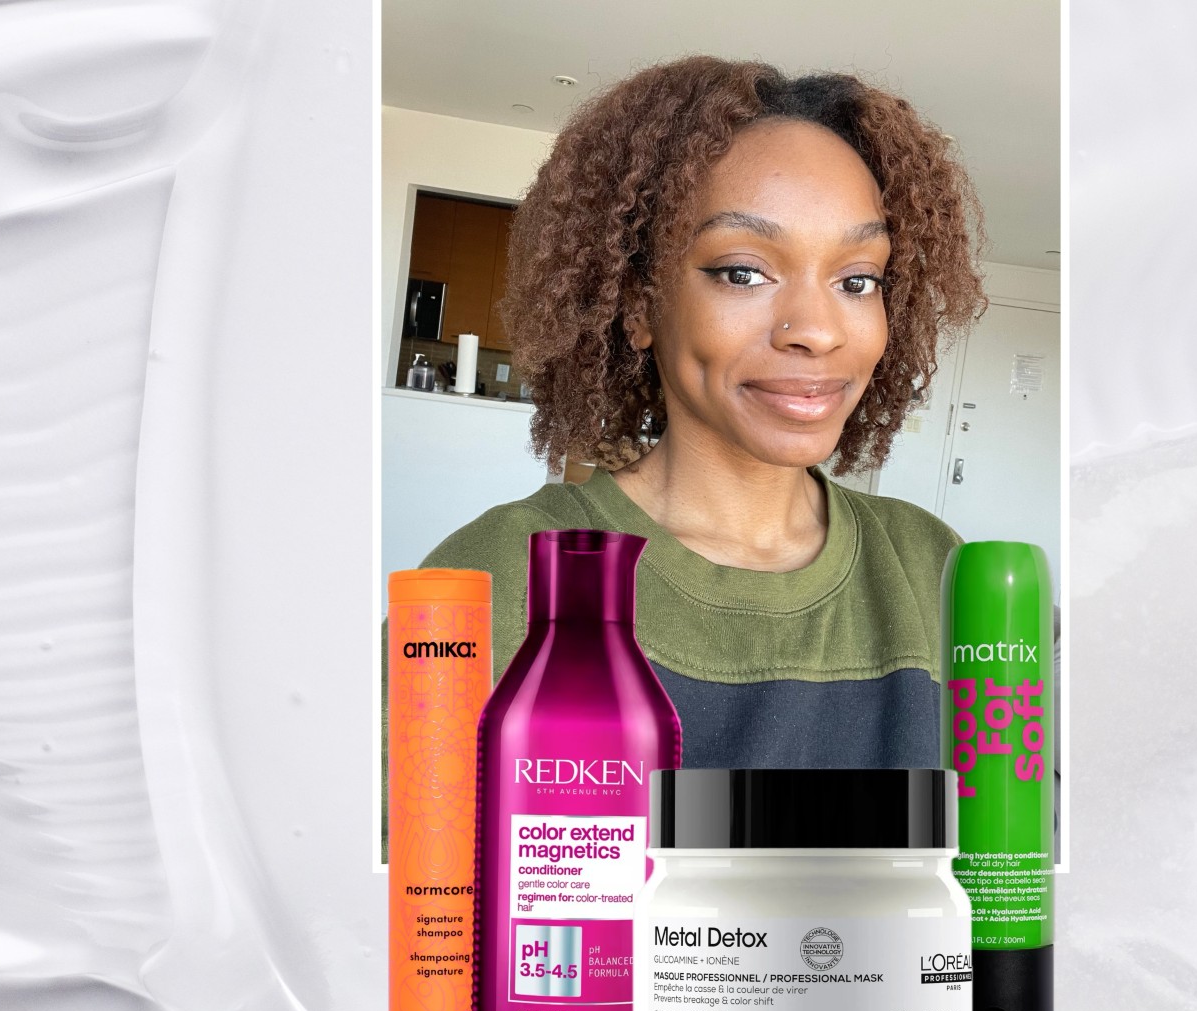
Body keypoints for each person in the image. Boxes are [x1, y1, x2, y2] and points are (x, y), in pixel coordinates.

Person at [422, 56, 987, 769]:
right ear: (638, 306)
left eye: (857, 279)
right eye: (742, 271)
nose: (817, 329)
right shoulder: (504, 577)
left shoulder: (935, 567)